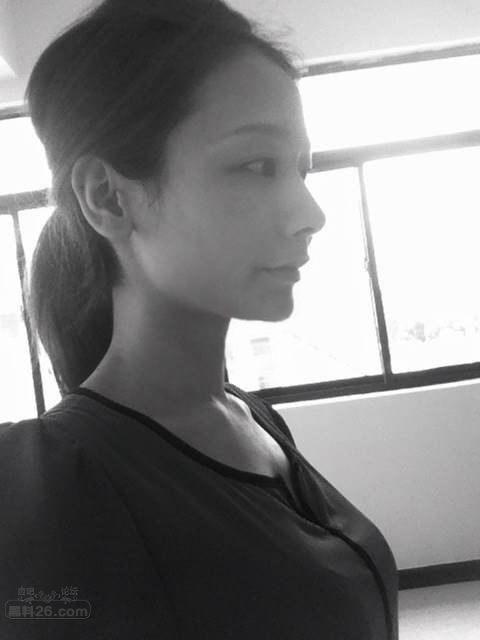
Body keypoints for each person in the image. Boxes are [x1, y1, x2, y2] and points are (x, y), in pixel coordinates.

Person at [0, 0, 399, 637]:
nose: (310, 213)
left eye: (300, 169)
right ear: (108, 198)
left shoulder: (254, 418)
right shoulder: (59, 481)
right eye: (256, 166)